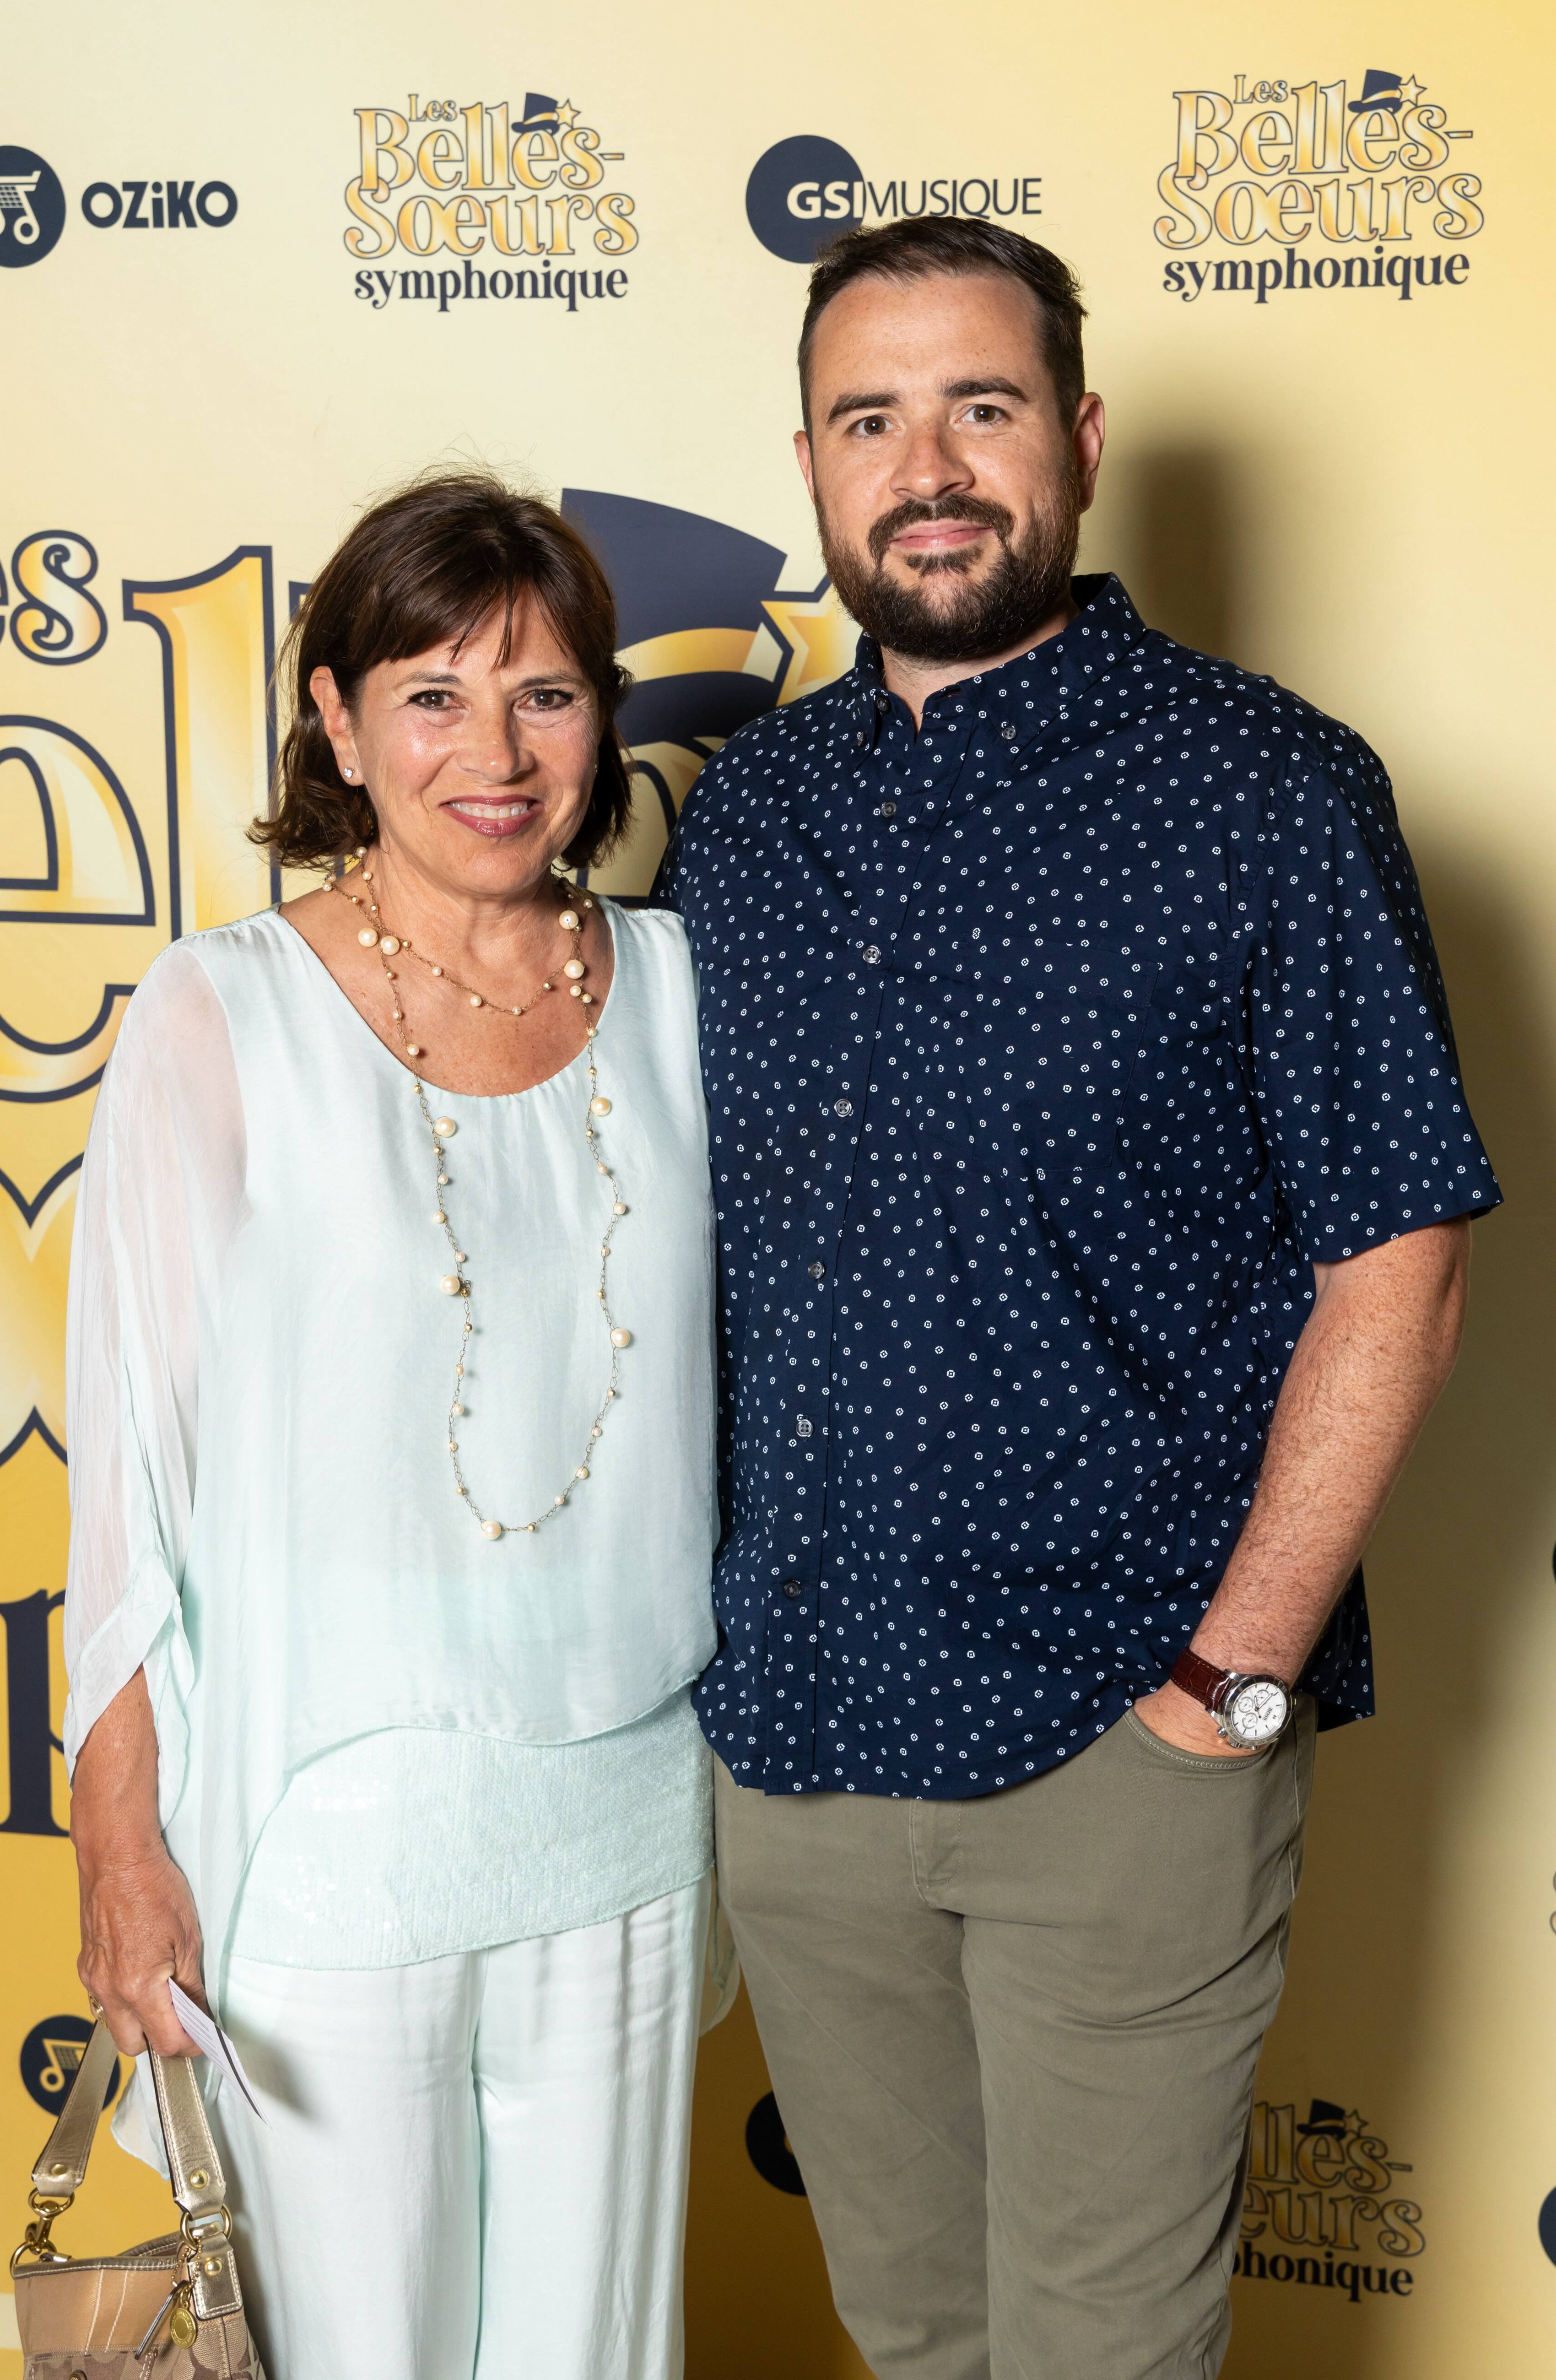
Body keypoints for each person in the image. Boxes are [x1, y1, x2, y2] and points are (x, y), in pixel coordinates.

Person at [655, 217, 1499, 2379]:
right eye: (871, 420)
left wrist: (1227, 1689)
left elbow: (1400, 1261)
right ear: (812, 465)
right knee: (911, 2329)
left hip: (1120, 1742)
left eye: (983, 407)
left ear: (1083, 438)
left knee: (1100, 2355)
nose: (927, 467)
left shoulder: (1269, 790)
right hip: (799, 1743)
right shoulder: (744, 820)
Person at [63, 471, 719, 2380]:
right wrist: (120, 1848)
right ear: (338, 726)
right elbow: (132, 1483)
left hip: (629, 1831)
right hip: (328, 1852)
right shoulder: (221, 1014)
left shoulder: (687, 994)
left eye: (544, 694)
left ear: (603, 720)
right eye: (431, 695)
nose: (492, 754)